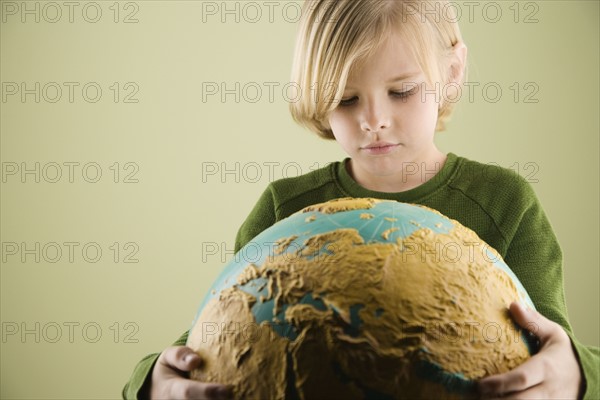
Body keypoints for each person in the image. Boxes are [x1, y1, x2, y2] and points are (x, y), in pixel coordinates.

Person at [123, 0, 599, 398]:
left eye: (402, 91)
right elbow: (214, 339)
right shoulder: (281, 210)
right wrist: (153, 383)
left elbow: (556, 346)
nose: (374, 119)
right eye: (347, 99)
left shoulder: (505, 203)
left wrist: (574, 374)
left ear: (451, 73)